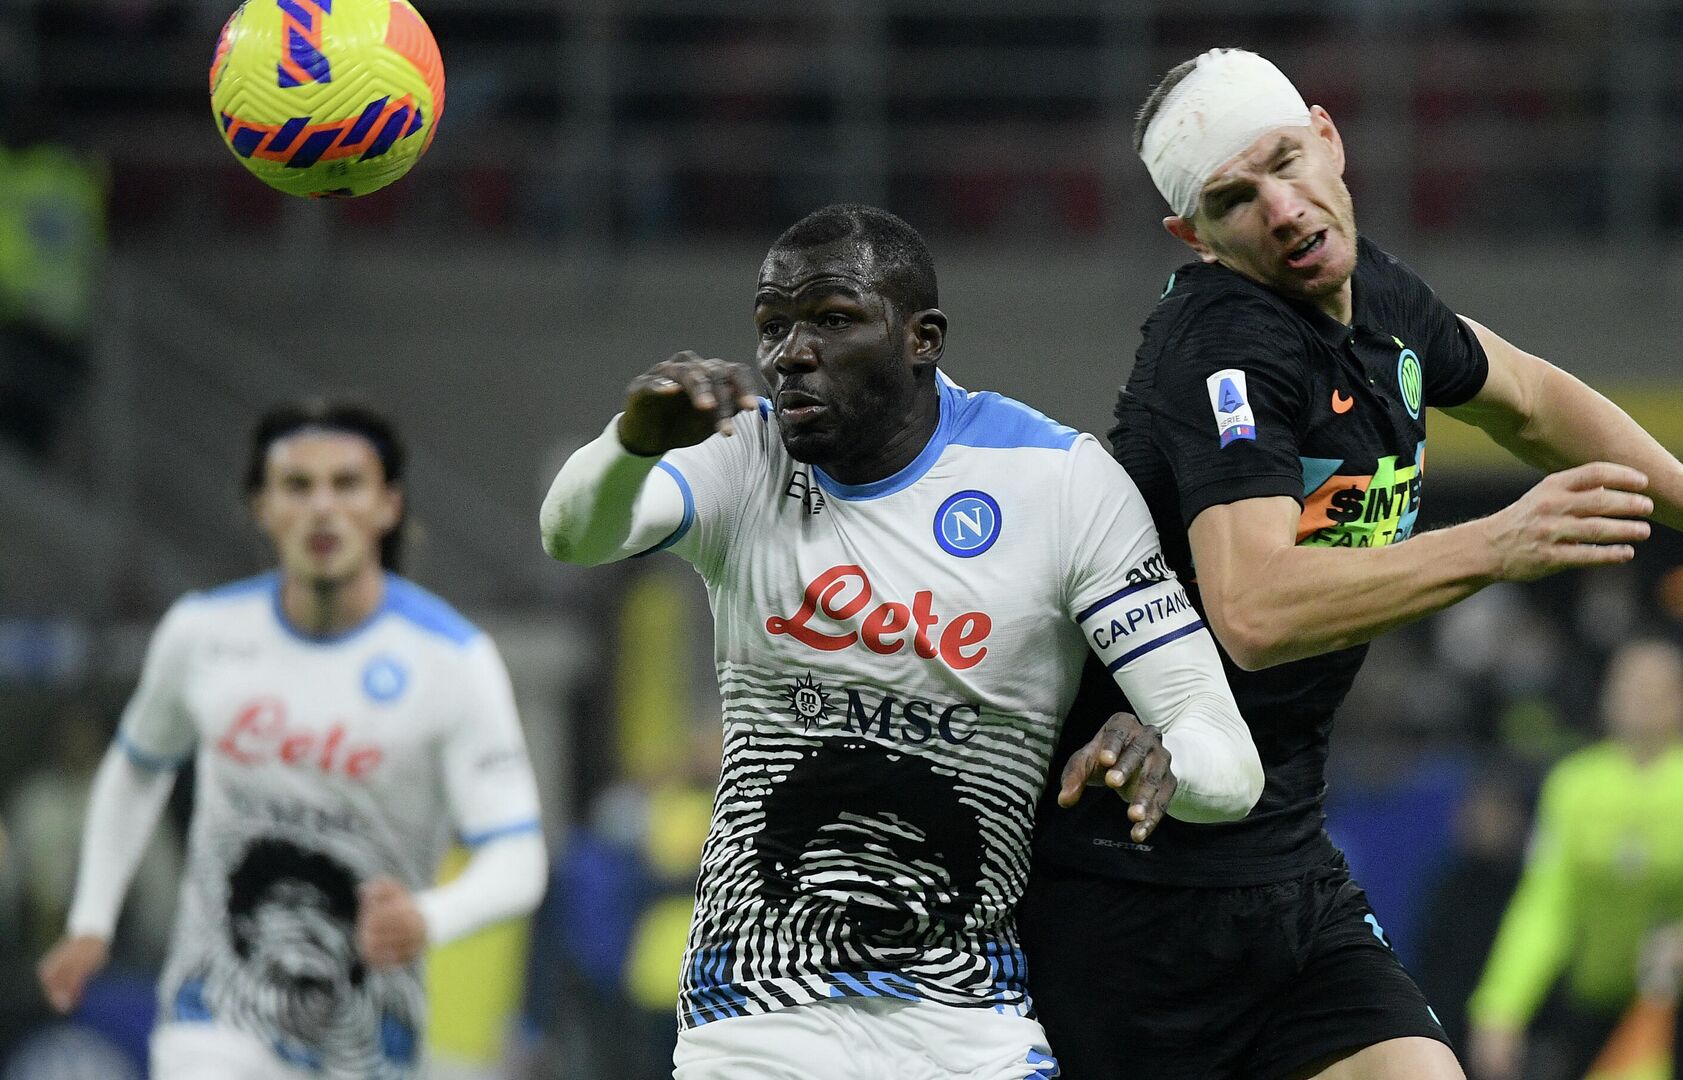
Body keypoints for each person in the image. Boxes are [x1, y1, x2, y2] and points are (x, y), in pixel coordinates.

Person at [1022, 47, 1683, 1080]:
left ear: (1329, 136)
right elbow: (1255, 608)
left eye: (1287, 161)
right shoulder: (1222, 346)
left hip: (1283, 859)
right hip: (1125, 880)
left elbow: (1530, 400)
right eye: (1235, 197)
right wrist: (1498, 543)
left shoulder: (1373, 297)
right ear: (1195, 236)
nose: (1283, 206)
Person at [539, 203, 1264, 1079]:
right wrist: (629, 445)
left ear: (923, 338)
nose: (791, 354)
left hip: (968, 1019)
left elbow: (1226, 753)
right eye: (773, 327)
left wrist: (1170, 765)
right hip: (757, 1010)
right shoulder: (743, 455)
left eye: (833, 320)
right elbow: (573, 534)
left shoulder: (1058, 482)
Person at [37, 400, 548, 1080]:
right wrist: (93, 918)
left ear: (387, 506)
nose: (323, 508)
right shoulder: (201, 635)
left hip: (367, 1033)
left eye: (346, 484)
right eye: (298, 487)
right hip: (213, 1015)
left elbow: (518, 854)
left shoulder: (454, 662)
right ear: (261, 507)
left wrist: (430, 916)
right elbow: (137, 769)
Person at [1467, 639, 1683, 1080]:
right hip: (1594, 1017)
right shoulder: (1573, 788)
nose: (1640, 699)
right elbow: (1545, 907)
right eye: (1629, 685)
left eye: (1656, 688)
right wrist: (1502, 1006)